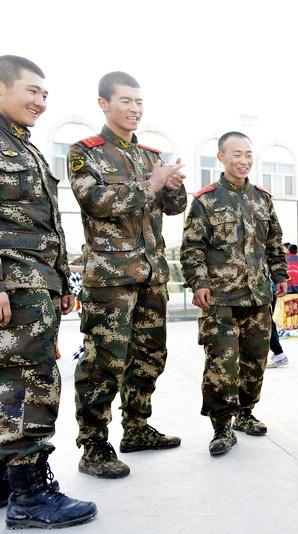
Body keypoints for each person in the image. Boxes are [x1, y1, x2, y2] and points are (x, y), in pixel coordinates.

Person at [68, 71, 186, 479]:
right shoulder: (85, 152)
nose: (135, 109)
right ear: (104, 104)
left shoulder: (151, 154)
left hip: (152, 275)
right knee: (104, 362)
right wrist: (150, 184)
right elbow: (96, 201)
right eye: (125, 101)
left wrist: (171, 185)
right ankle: (94, 445)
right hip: (111, 277)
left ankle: (137, 428)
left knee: (149, 357)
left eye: (139, 102)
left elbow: (172, 208)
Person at [0, 54, 97, 529]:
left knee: (14, 383)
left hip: (36, 283)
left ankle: (7, 480)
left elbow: (46, 224)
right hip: (12, 285)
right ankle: (31, 497)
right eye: (31, 91)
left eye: (44, 94)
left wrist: (59, 280)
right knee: (29, 385)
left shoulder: (24, 146)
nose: (39, 101)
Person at [181, 131, 288, 456]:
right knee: (221, 365)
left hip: (257, 298)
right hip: (221, 301)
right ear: (222, 157)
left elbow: (274, 242)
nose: (243, 161)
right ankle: (221, 427)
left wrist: (280, 274)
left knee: (254, 362)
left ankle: (245, 413)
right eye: (236, 154)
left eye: (248, 155)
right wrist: (199, 282)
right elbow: (192, 248)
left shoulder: (262, 198)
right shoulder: (206, 200)